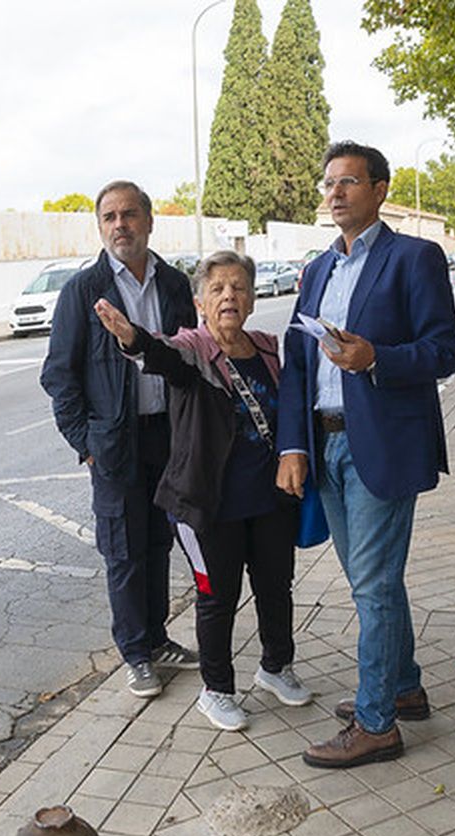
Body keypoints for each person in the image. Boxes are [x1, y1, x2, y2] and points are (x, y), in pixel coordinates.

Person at [276, 140, 455, 769]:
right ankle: (402, 687)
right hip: (322, 440)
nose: (335, 193)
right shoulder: (317, 271)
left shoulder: (415, 258)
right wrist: (294, 444)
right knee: (369, 582)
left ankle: (376, 721)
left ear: (381, 190)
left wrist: (375, 357)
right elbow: (297, 360)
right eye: (328, 183)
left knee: (375, 587)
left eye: (349, 182)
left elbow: (443, 350)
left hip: (380, 444)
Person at [92, 251, 312, 732]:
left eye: (238, 287)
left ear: (253, 300)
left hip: (270, 499)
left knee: (276, 588)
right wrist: (133, 339)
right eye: (217, 289)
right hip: (207, 505)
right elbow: (164, 355)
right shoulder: (195, 348)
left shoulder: (269, 350)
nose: (229, 296)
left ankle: (276, 667)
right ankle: (217, 691)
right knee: (217, 597)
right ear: (200, 302)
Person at [40, 180, 200, 699]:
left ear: (149, 221)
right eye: (109, 217)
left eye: (129, 214)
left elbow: (189, 356)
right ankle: (135, 652)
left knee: (158, 541)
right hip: (115, 443)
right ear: (100, 227)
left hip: (167, 438)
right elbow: (59, 376)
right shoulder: (83, 293)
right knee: (124, 550)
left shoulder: (174, 285)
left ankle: (156, 639)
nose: (119, 226)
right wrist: (84, 441)